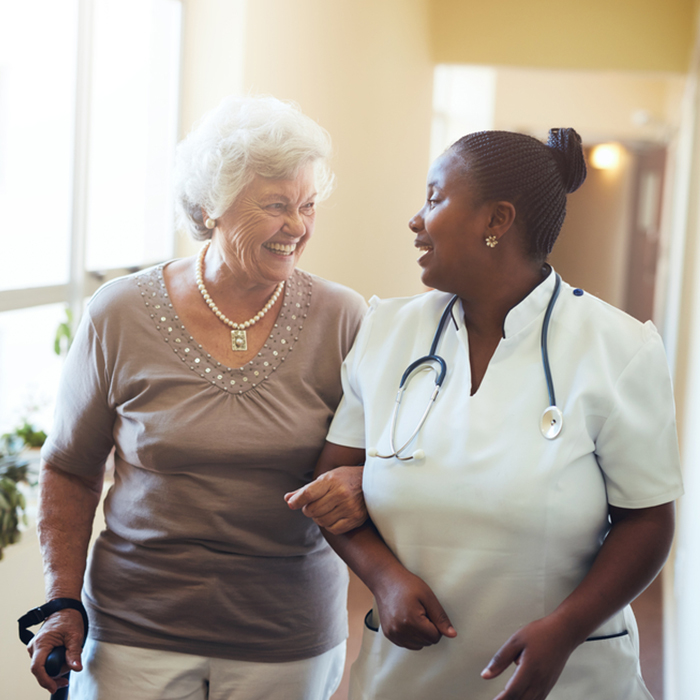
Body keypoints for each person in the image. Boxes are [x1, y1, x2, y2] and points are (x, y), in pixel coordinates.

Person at [289, 128, 683, 699]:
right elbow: (330, 492)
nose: (415, 220)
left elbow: (647, 521)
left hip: (569, 678)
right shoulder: (386, 332)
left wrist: (566, 631)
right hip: (409, 675)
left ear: (496, 221)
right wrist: (385, 579)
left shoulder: (619, 349)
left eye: (434, 198)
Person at [27, 95, 368, 700]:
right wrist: (61, 600)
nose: (298, 226)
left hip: (286, 638)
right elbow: (69, 469)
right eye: (276, 206)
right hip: (134, 634)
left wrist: (363, 482)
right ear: (212, 206)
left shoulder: (343, 317)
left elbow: (383, 456)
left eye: (308, 205)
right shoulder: (121, 312)